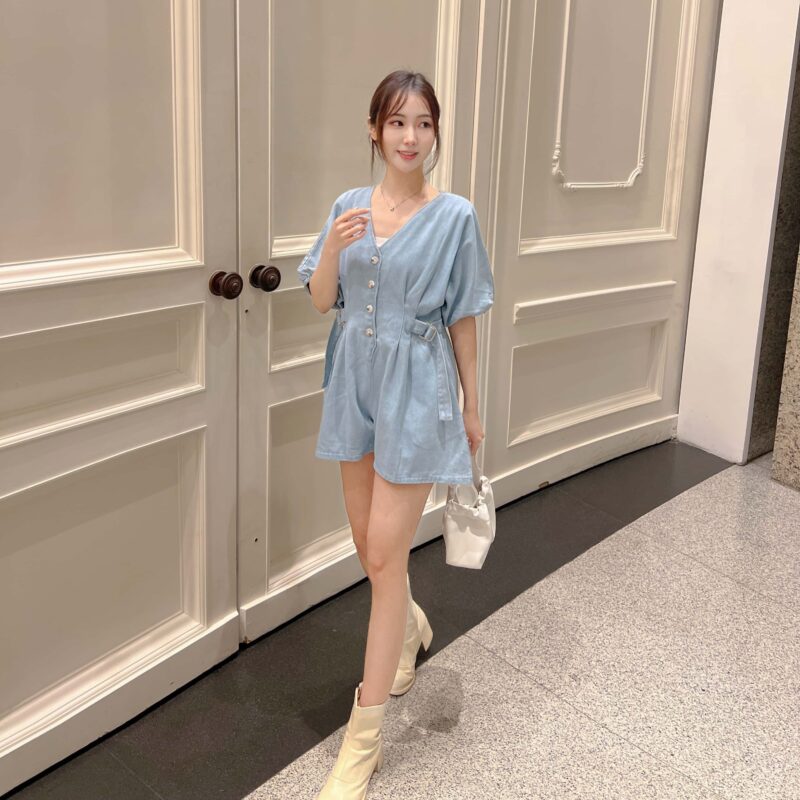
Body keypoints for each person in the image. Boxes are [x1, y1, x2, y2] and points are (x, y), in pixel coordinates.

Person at [297, 69, 494, 799]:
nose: (411, 137)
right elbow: (322, 299)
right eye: (398, 122)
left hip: (418, 390)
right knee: (369, 550)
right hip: (353, 383)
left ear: (435, 132)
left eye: (424, 123)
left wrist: (472, 406)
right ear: (375, 130)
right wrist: (332, 247)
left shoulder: (455, 216)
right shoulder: (348, 206)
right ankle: (409, 626)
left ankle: (364, 740)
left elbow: (464, 315)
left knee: (384, 554)